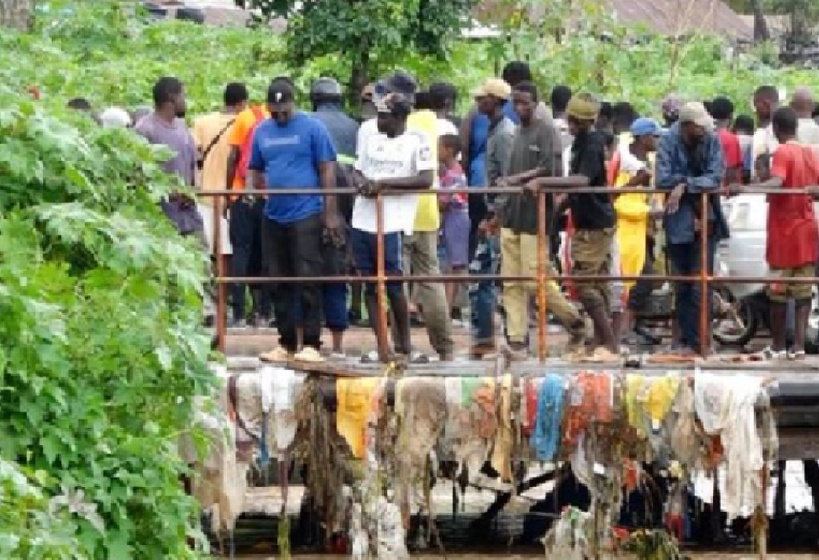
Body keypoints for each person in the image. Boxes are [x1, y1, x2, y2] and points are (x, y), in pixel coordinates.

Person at [356, 72, 454, 362]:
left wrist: (384, 185)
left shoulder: (417, 127)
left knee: (399, 282)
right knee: (403, 282)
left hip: (406, 215)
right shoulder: (374, 128)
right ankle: (405, 346)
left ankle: (405, 346)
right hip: (387, 215)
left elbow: (426, 174)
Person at [249, 78, 342, 364]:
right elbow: (255, 167)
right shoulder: (262, 131)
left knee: (308, 277)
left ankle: (312, 341)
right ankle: (286, 341)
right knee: (278, 278)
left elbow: (327, 169)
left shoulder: (313, 128)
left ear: (293, 103)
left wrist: (330, 213)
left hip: (306, 213)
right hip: (274, 214)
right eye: (274, 110)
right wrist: (254, 191)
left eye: (284, 110)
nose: (279, 115)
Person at [495, 82, 586, 360]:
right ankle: (517, 340)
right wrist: (497, 211)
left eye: (525, 103)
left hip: (536, 216)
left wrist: (520, 180)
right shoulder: (516, 132)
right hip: (512, 214)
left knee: (536, 279)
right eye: (516, 103)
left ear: (536, 103)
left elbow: (551, 169)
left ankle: (574, 321)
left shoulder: (546, 130)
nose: (520, 108)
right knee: (510, 281)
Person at [732, 107, 819, 359]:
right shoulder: (810, 153)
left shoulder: (783, 152)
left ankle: (779, 345)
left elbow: (777, 182)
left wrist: (746, 188)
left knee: (777, 291)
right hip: (807, 228)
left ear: (777, 129)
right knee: (803, 291)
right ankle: (799, 346)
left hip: (784, 231)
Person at [657, 101, 728, 355]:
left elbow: (716, 175)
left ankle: (703, 341)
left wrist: (685, 185)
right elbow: (662, 178)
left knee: (702, 285)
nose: (703, 133)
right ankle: (687, 340)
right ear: (687, 127)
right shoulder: (668, 141)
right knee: (682, 285)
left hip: (706, 221)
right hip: (678, 222)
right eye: (698, 129)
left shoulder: (711, 139)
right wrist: (686, 184)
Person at [560, 93, 618, 357]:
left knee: (583, 282)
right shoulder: (581, 142)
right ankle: (603, 339)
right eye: (571, 120)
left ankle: (608, 340)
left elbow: (582, 181)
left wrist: (546, 184)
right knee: (598, 281)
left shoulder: (592, 144)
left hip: (595, 223)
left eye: (578, 122)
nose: (572, 125)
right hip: (589, 219)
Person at [309, 77, 360, 358]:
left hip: (311, 205)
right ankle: (339, 341)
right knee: (339, 269)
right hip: (345, 205)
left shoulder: (307, 123)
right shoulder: (353, 126)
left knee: (307, 275)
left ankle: (310, 341)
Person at [468, 78, 515, 358]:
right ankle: (487, 336)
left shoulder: (505, 134)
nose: (478, 103)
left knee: (490, 275)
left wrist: (496, 214)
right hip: (494, 211)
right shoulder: (495, 130)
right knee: (486, 275)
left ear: (496, 101)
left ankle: (495, 337)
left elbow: (507, 179)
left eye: (483, 98)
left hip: (501, 215)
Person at [609, 118, 662, 344]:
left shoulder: (647, 162)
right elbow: (617, 201)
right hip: (625, 232)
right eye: (655, 136)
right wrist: (647, 212)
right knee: (630, 281)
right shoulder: (625, 164)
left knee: (642, 279)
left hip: (640, 233)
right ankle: (621, 331)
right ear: (643, 138)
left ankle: (629, 327)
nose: (657, 140)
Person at [134, 76, 204, 244]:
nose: (185, 101)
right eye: (183, 96)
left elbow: (193, 162)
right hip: (161, 220)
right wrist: (169, 193)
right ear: (172, 97)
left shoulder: (182, 126)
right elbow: (137, 175)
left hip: (189, 214)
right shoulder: (144, 130)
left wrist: (193, 189)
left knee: (203, 262)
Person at [225, 87, 272, 328]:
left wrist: (227, 194)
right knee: (265, 254)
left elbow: (233, 156)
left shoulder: (245, 117)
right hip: (268, 197)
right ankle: (264, 312)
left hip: (242, 194)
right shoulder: (279, 119)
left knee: (241, 253)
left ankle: (239, 314)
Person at [193, 82, 247, 266]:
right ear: (242, 103)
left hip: (206, 194)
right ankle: (226, 293)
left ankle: (211, 291)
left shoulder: (202, 122)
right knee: (228, 252)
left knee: (206, 252)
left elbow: (196, 155)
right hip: (232, 197)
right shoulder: (245, 125)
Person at [438, 134, 470, 316]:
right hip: (452, 219)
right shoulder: (450, 173)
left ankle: (449, 306)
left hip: (456, 219)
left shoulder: (454, 175)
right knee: (452, 264)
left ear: (449, 150)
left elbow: (443, 202)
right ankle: (448, 307)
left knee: (456, 265)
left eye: (439, 147)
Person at [710, 96, 743, 186]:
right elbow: (731, 169)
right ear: (730, 115)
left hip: (705, 189)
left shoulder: (705, 135)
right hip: (724, 190)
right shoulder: (731, 139)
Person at [751, 85, 779, 179]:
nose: (756, 111)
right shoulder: (791, 128)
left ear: (766, 104)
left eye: (756, 106)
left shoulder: (762, 134)